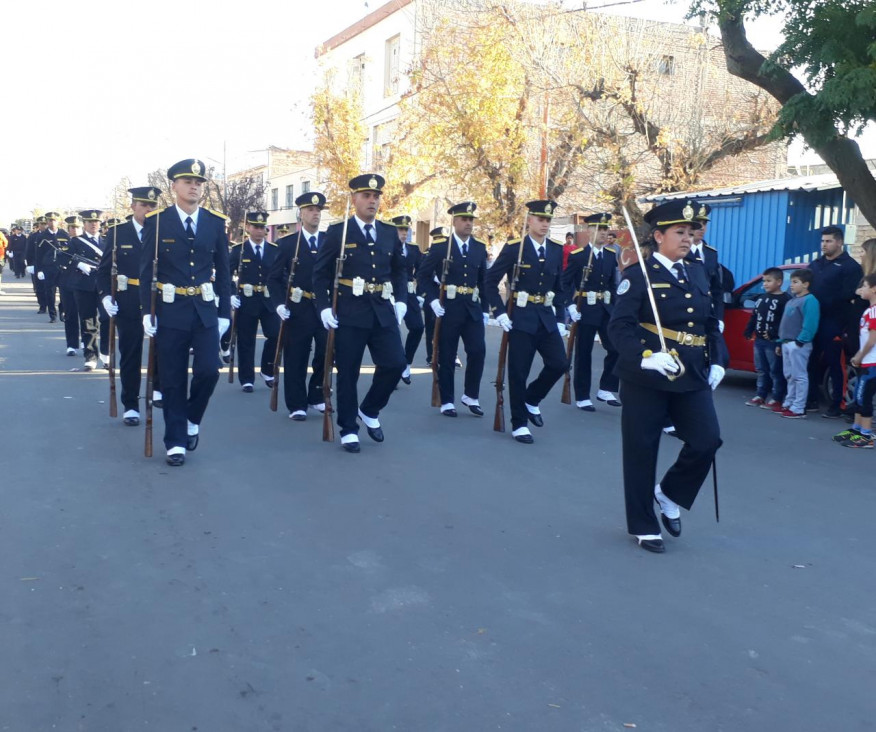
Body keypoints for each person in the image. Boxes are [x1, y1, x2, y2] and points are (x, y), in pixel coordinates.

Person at [608, 200, 726, 554]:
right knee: (642, 450)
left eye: (690, 232)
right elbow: (620, 327)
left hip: (691, 372)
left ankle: (670, 493)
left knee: (707, 440)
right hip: (647, 375)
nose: (687, 238)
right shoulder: (638, 276)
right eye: (679, 232)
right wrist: (646, 357)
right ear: (658, 236)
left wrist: (718, 359)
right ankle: (644, 525)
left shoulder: (699, 272)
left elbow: (710, 323)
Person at [139, 158, 232, 467]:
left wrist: (223, 312)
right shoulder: (157, 220)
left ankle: (193, 417)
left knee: (208, 370)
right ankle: (175, 440)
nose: (195, 186)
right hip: (169, 310)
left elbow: (224, 267)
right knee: (173, 378)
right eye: (188, 181)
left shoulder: (214, 221)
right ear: (174, 186)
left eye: (199, 182)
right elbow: (146, 269)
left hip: (204, 309)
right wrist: (145, 312)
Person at [312, 173, 408, 453]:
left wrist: (401, 299)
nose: (372, 201)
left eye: (376, 196)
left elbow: (400, 270)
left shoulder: (389, 232)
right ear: (354, 199)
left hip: (382, 309)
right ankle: (348, 428)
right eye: (366, 196)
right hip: (350, 311)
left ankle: (369, 409)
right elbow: (320, 274)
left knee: (395, 363)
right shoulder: (338, 232)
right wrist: (324, 307)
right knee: (348, 372)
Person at [484, 200, 568, 444]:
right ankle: (519, 423)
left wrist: (561, 317)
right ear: (529, 220)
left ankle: (532, 398)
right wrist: (499, 312)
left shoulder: (555, 249)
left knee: (559, 363)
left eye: (548, 220)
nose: (544, 224)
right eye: (540, 219)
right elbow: (490, 282)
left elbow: (560, 287)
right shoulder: (514, 249)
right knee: (518, 372)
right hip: (520, 318)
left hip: (546, 317)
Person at [417, 202, 490, 417]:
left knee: (478, 351)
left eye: (471, 220)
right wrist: (432, 300)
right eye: (464, 219)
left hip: (472, 308)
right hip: (448, 308)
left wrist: (485, 309)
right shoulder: (441, 247)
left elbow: (484, 281)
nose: (468, 223)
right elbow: (422, 276)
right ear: (454, 221)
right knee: (447, 354)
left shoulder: (479, 248)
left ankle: (471, 395)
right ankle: (447, 399)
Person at [97, 186, 162, 425]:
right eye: (144, 205)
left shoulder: (162, 231)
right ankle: (131, 404)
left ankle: (158, 389)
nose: (148, 210)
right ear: (133, 206)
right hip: (129, 299)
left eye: (153, 206)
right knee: (130, 353)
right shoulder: (117, 233)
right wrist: (105, 296)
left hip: (158, 299)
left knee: (162, 349)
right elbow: (103, 271)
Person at [269, 192, 328, 420]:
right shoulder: (287, 244)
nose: (315, 214)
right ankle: (296, 403)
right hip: (298, 306)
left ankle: (315, 395)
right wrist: (278, 305)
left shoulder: (328, 242)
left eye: (318, 210)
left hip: (323, 308)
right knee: (296, 356)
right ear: (301, 214)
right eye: (311, 210)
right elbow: (274, 279)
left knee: (326, 352)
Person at [562, 212, 620, 411]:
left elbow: (613, 284)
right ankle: (582, 395)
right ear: (589, 231)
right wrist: (570, 304)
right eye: (599, 229)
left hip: (606, 309)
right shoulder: (578, 256)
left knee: (615, 348)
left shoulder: (611, 255)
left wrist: (615, 306)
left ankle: (606, 387)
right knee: (584, 353)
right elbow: (565, 282)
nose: (603, 233)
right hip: (585, 308)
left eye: (605, 229)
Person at [808, 225, 862, 417]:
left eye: (829, 241)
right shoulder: (815, 264)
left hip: (835, 323)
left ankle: (837, 405)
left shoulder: (851, 267)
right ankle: (811, 399)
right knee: (811, 361)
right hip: (813, 322)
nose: (824, 245)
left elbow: (850, 296)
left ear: (839, 242)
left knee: (834, 363)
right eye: (822, 241)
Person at [228, 211, 280, 393]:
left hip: (269, 300)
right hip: (247, 301)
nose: (259, 230)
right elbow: (226, 274)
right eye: (255, 227)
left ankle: (267, 370)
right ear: (248, 227)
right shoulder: (238, 250)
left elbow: (282, 275)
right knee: (246, 341)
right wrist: (231, 294)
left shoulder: (274, 250)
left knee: (275, 335)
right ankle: (247, 378)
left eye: (262, 227)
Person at [832, 273, 876, 448]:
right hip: (866, 363)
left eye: (864, 286)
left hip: (872, 363)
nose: (860, 290)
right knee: (858, 396)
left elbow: (873, 339)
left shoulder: (874, 311)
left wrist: (859, 355)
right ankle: (856, 429)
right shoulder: (868, 310)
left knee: (864, 398)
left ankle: (867, 436)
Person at [67, 209, 109, 371]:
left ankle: (106, 353)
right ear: (84, 224)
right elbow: (65, 260)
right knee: (88, 321)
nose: (94, 225)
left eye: (96, 222)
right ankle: (90, 356)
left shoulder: (107, 241)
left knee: (106, 318)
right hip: (83, 285)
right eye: (90, 222)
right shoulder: (76, 242)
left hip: (104, 286)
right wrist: (78, 264)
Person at [743, 267, 790, 410]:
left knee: (775, 370)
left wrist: (778, 339)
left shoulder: (785, 300)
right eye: (764, 281)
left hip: (773, 341)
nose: (765, 284)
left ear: (779, 282)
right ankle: (760, 395)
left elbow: (785, 322)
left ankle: (777, 397)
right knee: (761, 369)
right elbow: (755, 316)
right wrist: (749, 330)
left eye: (769, 281)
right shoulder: (761, 298)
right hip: (759, 340)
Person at [388, 215, 426, 386]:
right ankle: (391, 369)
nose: (403, 233)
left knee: (418, 327)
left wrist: (421, 294)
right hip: (389, 293)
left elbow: (422, 271)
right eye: (400, 229)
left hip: (409, 294)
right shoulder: (385, 247)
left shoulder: (413, 249)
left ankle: (406, 363)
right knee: (390, 333)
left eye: (406, 230)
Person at [776, 269, 820, 419]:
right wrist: (780, 342)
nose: (792, 285)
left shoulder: (810, 300)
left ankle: (799, 407)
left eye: (795, 282)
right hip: (787, 342)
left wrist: (801, 341)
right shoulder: (791, 300)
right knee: (789, 375)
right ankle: (789, 402)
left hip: (798, 343)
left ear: (806, 284)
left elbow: (810, 323)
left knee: (799, 375)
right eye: (792, 282)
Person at [33, 212, 67, 323]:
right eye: (50, 220)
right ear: (47, 222)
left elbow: (69, 252)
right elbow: (38, 255)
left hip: (62, 268)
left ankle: (62, 311)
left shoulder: (64, 234)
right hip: (48, 268)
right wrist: (39, 270)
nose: (52, 222)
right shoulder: (42, 236)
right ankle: (53, 314)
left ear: (58, 222)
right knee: (50, 293)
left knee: (64, 292)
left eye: (54, 220)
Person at [57, 215, 84, 356]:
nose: (75, 230)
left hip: (85, 283)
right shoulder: (64, 243)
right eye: (72, 227)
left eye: (77, 227)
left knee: (87, 315)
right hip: (67, 283)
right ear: (68, 229)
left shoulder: (89, 243)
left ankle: (86, 341)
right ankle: (72, 344)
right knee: (70, 313)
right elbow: (60, 260)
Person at [423, 226, 449, 367]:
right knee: (431, 326)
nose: (441, 241)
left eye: (443, 238)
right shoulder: (429, 252)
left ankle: (450, 354)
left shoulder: (450, 251)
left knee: (449, 326)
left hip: (446, 294)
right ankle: (430, 355)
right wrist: (434, 278)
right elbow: (423, 272)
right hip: (432, 294)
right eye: (438, 238)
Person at [25, 216, 48, 312]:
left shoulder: (52, 235)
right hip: (36, 264)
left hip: (49, 265)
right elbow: (28, 251)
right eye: (41, 224)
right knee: (39, 287)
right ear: (38, 225)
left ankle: (50, 305)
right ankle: (42, 305)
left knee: (50, 287)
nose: (43, 226)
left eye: (45, 224)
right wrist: (29, 264)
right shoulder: (33, 236)